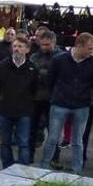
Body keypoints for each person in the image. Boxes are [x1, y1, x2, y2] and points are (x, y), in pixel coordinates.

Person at [39, 33, 93, 174]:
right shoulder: (59, 59)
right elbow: (50, 80)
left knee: (78, 140)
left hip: (81, 105)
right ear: (79, 46)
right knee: (53, 137)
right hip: (60, 103)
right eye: (90, 49)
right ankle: (44, 166)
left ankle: (76, 169)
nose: (92, 52)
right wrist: (56, 95)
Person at [0, 38, 38, 168]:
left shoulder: (32, 68)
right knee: (5, 142)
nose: (17, 49)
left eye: (20, 46)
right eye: (15, 46)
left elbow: (34, 89)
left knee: (23, 142)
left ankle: (22, 167)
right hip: (5, 109)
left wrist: (29, 106)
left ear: (27, 49)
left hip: (24, 110)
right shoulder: (2, 66)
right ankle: (7, 166)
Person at [28, 30, 62, 162]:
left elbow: (59, 77)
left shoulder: (61, 57)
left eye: (48, 45)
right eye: (42, 45)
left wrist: (42, 74)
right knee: (32, 128)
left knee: (53, 130)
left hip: (53, 98)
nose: (45, 47)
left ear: (54, 43)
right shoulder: (35, 57)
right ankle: (29, 155)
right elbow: (31, 74)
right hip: (36, 97)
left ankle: (54, 157)